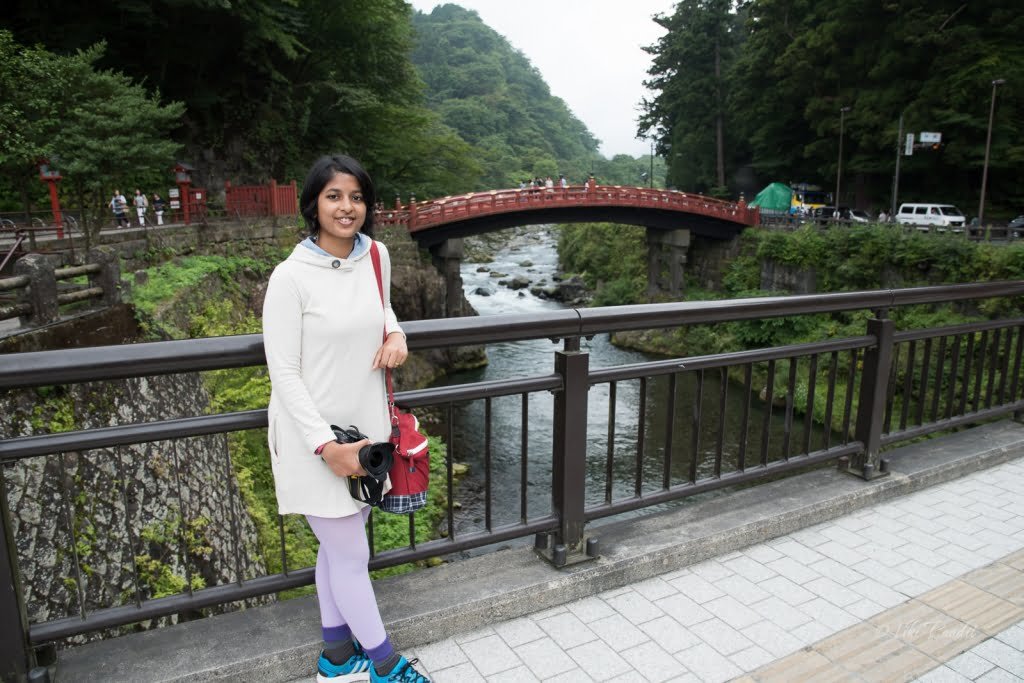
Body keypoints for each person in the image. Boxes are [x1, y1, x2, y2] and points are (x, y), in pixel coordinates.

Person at [261, 154, 430, 683]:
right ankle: (386, 664)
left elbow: (382, 309)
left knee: (340, 546)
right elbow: (283, 372)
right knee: (351, 551)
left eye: (356, 197)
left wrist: (397, 333)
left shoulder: (376, 256)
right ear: (313, 204)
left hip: (365, 430)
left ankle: (336, 658)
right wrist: (323, 446)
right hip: (312, 437)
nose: (347, 207)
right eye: (334, 196)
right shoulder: (290, 277)